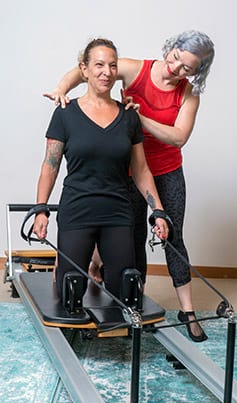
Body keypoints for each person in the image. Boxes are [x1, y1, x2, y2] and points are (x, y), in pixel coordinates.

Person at [44, 30, 215, 341]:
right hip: (125, 166)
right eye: (175, 58)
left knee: (173, 236)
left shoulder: (188, 94)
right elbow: (89, 68)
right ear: (170, 49)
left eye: (187, 68)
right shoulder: (136, 69)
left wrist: (139, 116)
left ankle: (186, 310)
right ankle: (133, 301)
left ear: (196, 72)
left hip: (164, 169)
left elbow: (178, 138)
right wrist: (60, 89)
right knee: (131, 238)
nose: (176, 69)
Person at [33, 38, 169, 301]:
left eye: (112, 65)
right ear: (84, 69)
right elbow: (50, 166)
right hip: (77, 211)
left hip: (117, 212)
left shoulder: (129, 116)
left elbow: (141, 169)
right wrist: (41, 209)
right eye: (98, 65)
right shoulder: (65, 112)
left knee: (125, 288)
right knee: (70, 290)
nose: (106, 72)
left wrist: (159, 211)